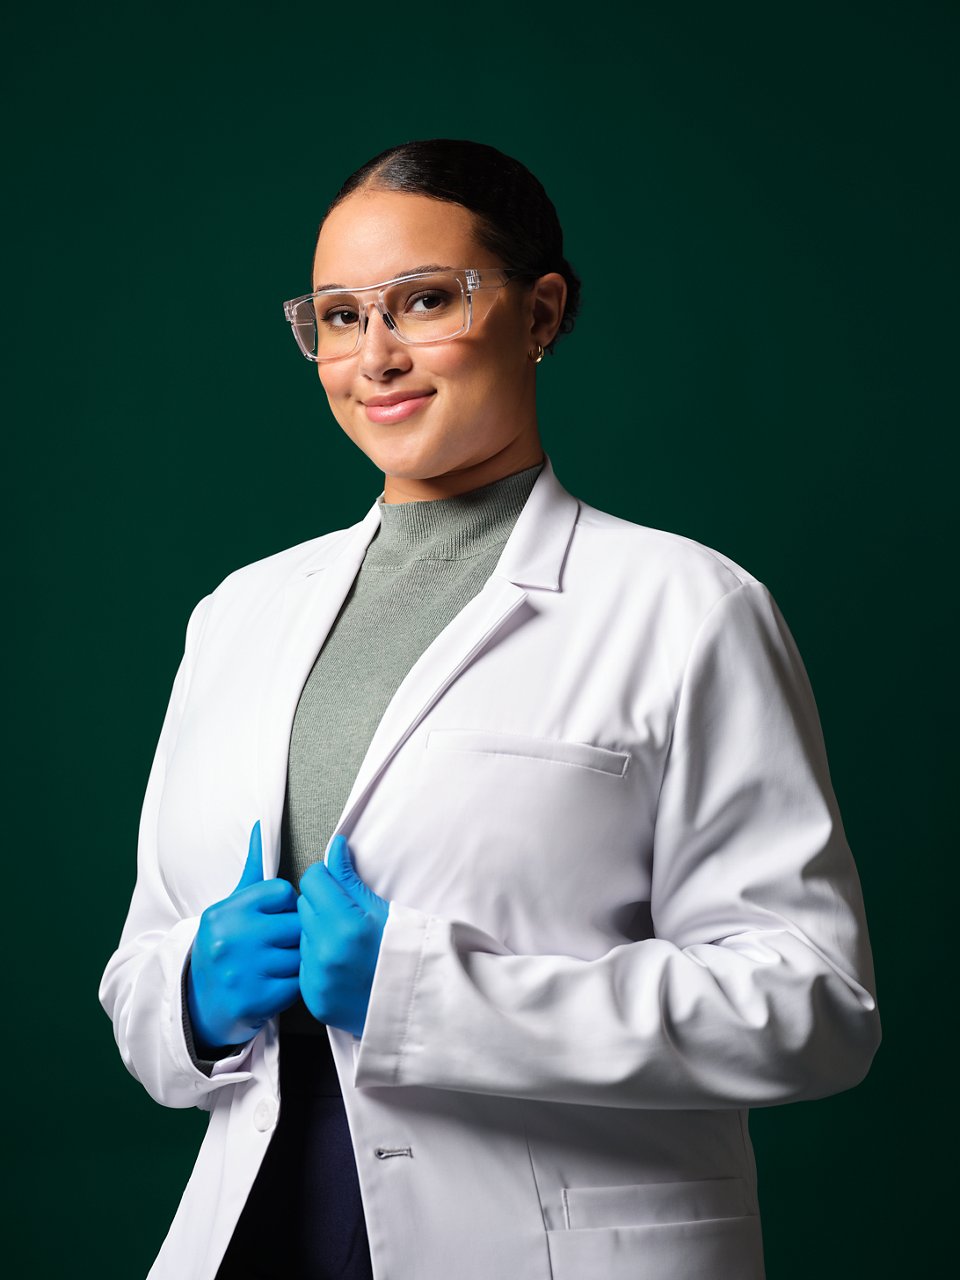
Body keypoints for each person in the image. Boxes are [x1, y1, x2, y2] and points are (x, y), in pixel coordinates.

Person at [99, 137, 881, 1280]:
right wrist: (191, 996)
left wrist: (427, 988)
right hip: (257, 1235)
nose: (376, 354)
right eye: (338, 315)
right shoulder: (240, 613)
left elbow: (812, 1002)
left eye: (426, 300)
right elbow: (138, 976)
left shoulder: (685, 605)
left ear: (541, 310)